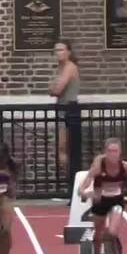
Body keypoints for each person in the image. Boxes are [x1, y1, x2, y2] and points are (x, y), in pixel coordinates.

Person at [78, 138, 127, 254]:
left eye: (115, 151)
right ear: (105, 152)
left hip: (116, 201)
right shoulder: (98, 167)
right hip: (100, 201)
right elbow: (83, 185)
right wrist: (85, 192)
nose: (113, 154)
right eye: (110, 151)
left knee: (113, 232)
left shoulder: (125, 166)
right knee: (98, 233)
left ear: (120, 153)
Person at [49, 39, 81, 172]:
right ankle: (68, 179)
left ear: (68, 52)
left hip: (69, 109)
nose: (58, 53)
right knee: (62, 148)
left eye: (61, 50)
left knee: (64, 148)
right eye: (56, 50)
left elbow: (56, 90)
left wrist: (53, 88)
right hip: (62, 108)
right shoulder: (61, 68)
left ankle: (70, 180)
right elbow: (53, 89)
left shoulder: (69, 67)